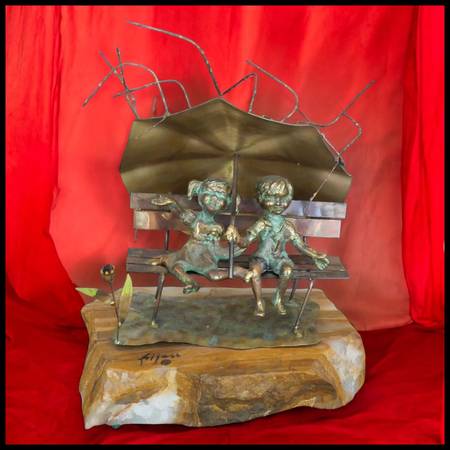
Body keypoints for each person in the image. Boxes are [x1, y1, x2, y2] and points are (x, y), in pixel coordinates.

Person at [225, 175, 329, 317]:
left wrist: (315, 255)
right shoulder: (261, 224)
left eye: (283, 197)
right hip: (261, 258)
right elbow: (245, 242)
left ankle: (278, 299)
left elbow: (300, 245)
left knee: (287, 271)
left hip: (280, 259)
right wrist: (236, 236)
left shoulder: (287, 226)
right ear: (261, 199)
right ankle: (259, 302)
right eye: (272, 197)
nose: (278, 202)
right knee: (254, 272)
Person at [149, 178, 250, 294]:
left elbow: (216, 247)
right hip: (187, 255)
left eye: (220, 198)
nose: (214, 200)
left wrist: (237, 240)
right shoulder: (193, 217)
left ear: (227, 204)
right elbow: (183, 215)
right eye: (210, 195)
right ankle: (192, 283)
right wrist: (172, 203)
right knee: (176, 268)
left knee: (213, 275)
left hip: (206, 258)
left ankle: (236, 271)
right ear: (200, 195)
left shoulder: (218, 228)